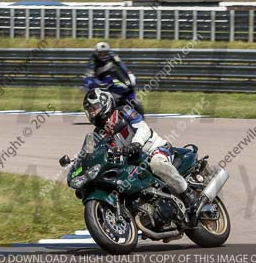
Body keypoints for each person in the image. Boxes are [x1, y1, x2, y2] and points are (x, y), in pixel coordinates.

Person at [82, 88, 200, 219]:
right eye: (89, 111)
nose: (92, 113)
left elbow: (142, 127)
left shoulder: (124, 111)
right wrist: (79, 165)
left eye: (94, 108)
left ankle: (188, 194)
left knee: (157, 164)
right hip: (132, 161)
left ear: (105, 103)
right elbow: (90, 153)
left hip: (154, 150)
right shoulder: (97, 134)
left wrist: (136, 143)